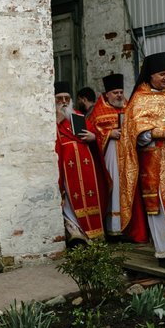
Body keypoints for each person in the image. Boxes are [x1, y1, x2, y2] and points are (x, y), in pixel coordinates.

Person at [117, 52, 165, 266]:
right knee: (160, 207)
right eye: (162, 74)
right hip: (155, 162)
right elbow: (136, 135)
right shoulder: (139, 99)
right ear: (150, 75)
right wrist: (161, 133)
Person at [54, 86, 105, 245]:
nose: (64, 102)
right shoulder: (50, 119)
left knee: (89, 194)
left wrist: (93, 137)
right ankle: (74, 231)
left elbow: (97, 136)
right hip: (66, 167)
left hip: (86, 165)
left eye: (67, 98)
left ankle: (93, 233)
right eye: (59, 98)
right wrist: (57, 122)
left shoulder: (78, 116)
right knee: (70, 199)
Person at [86, 72, 127, 237]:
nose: (119, 95)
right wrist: (109, 133)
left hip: (128, 156)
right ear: (107, 94)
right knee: (114, 186)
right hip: (110, 154)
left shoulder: (128, 106)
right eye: (115, 93)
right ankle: (114, 227)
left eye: (121, 92)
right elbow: (93, 132)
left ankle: (128, 226)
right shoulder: (98, 110)